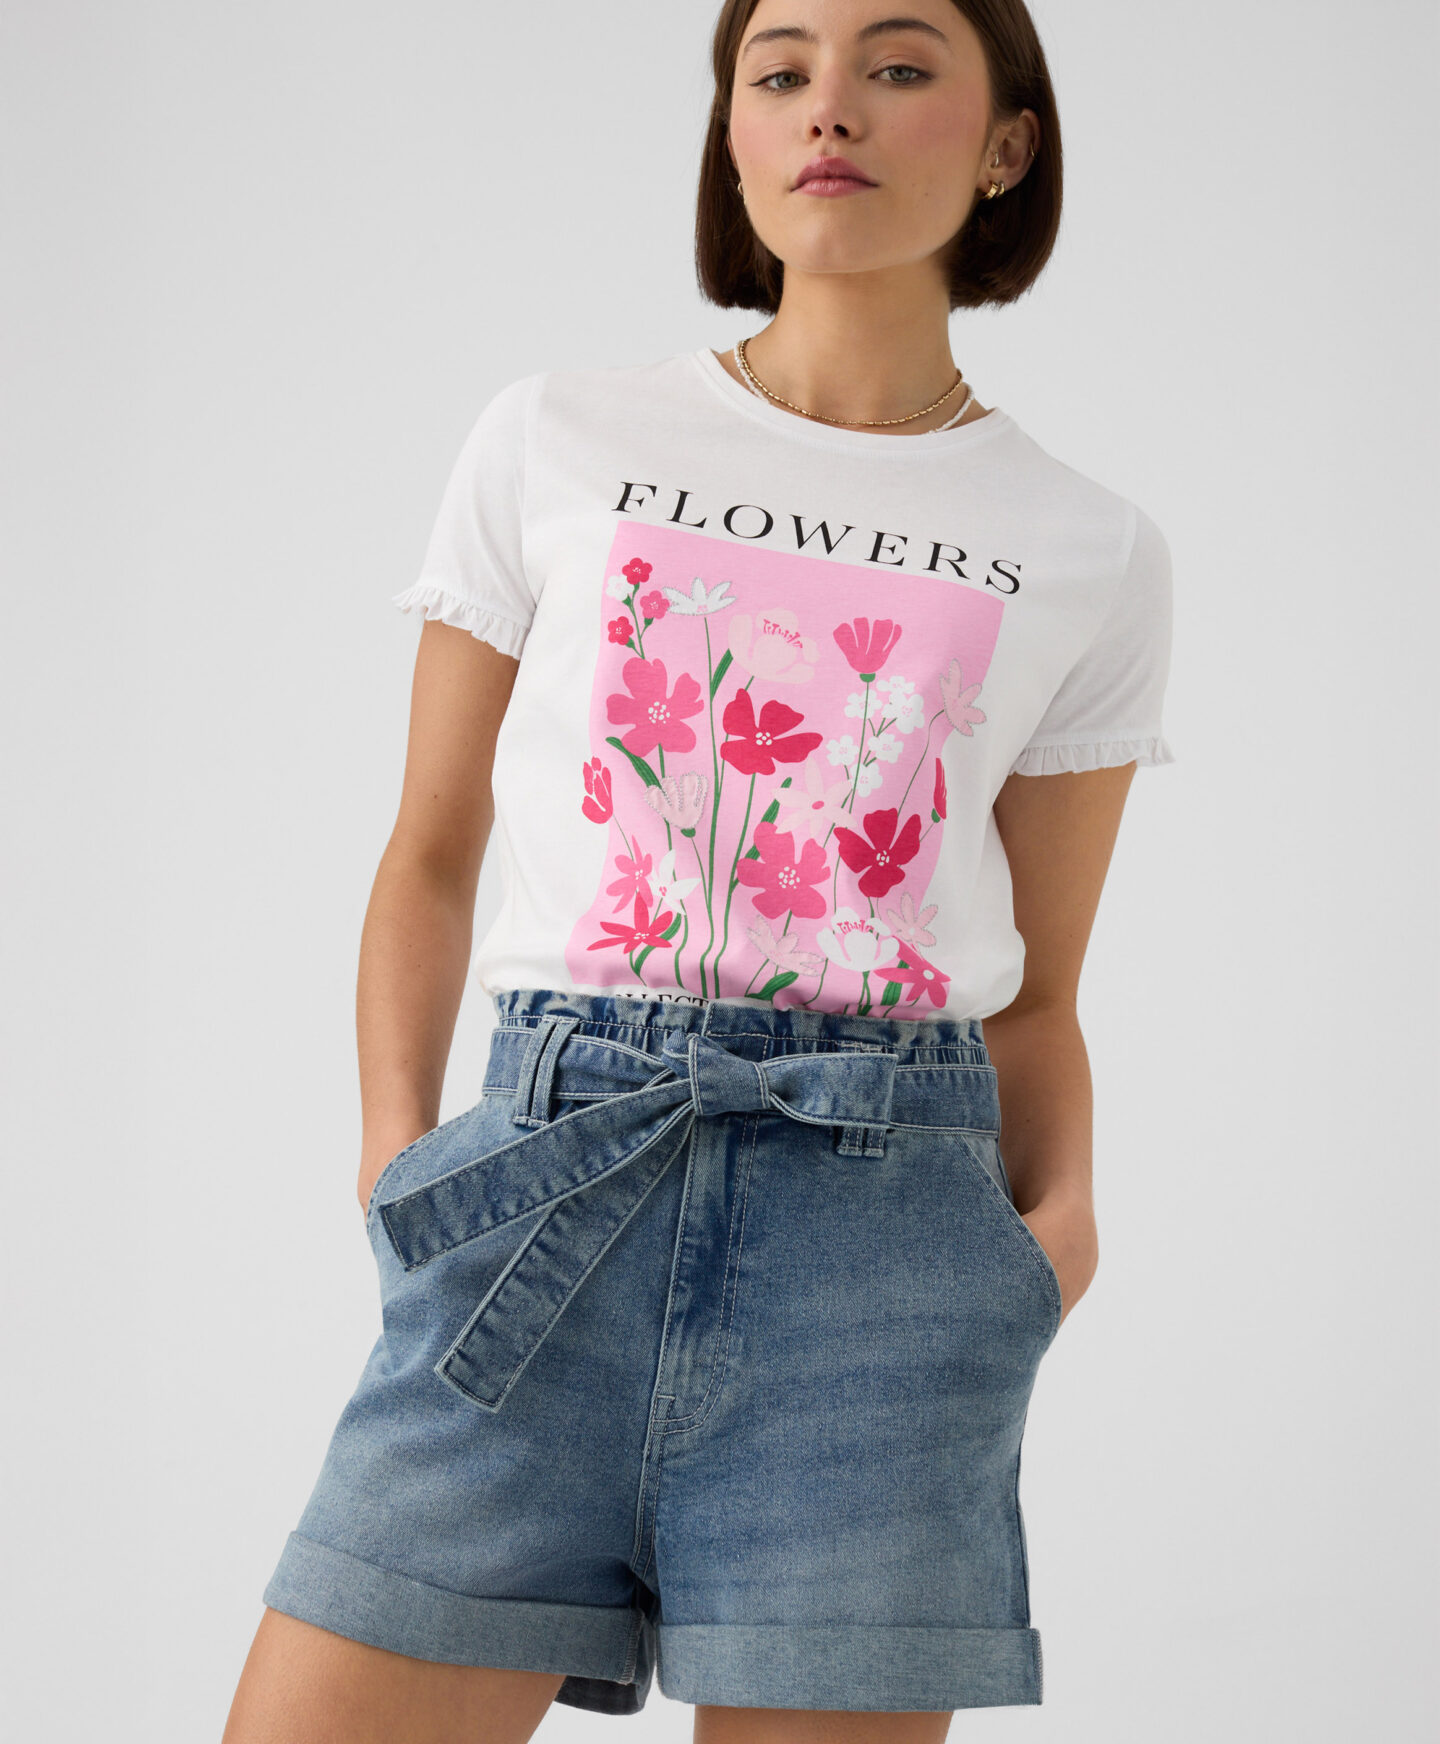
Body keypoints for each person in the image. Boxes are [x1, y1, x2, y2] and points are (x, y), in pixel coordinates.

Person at [223, 1, 1176, 1738]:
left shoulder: (1086, 546)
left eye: (899, 66)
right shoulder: (556, 437)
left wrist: (1053, 1240)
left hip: (884, 1253)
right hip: (545, 1190)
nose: (832, 108)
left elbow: (1040, 989)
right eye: (780, 71)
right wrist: (396, 1156)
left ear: (1006, 144)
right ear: (733, 133)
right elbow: (430, 849)